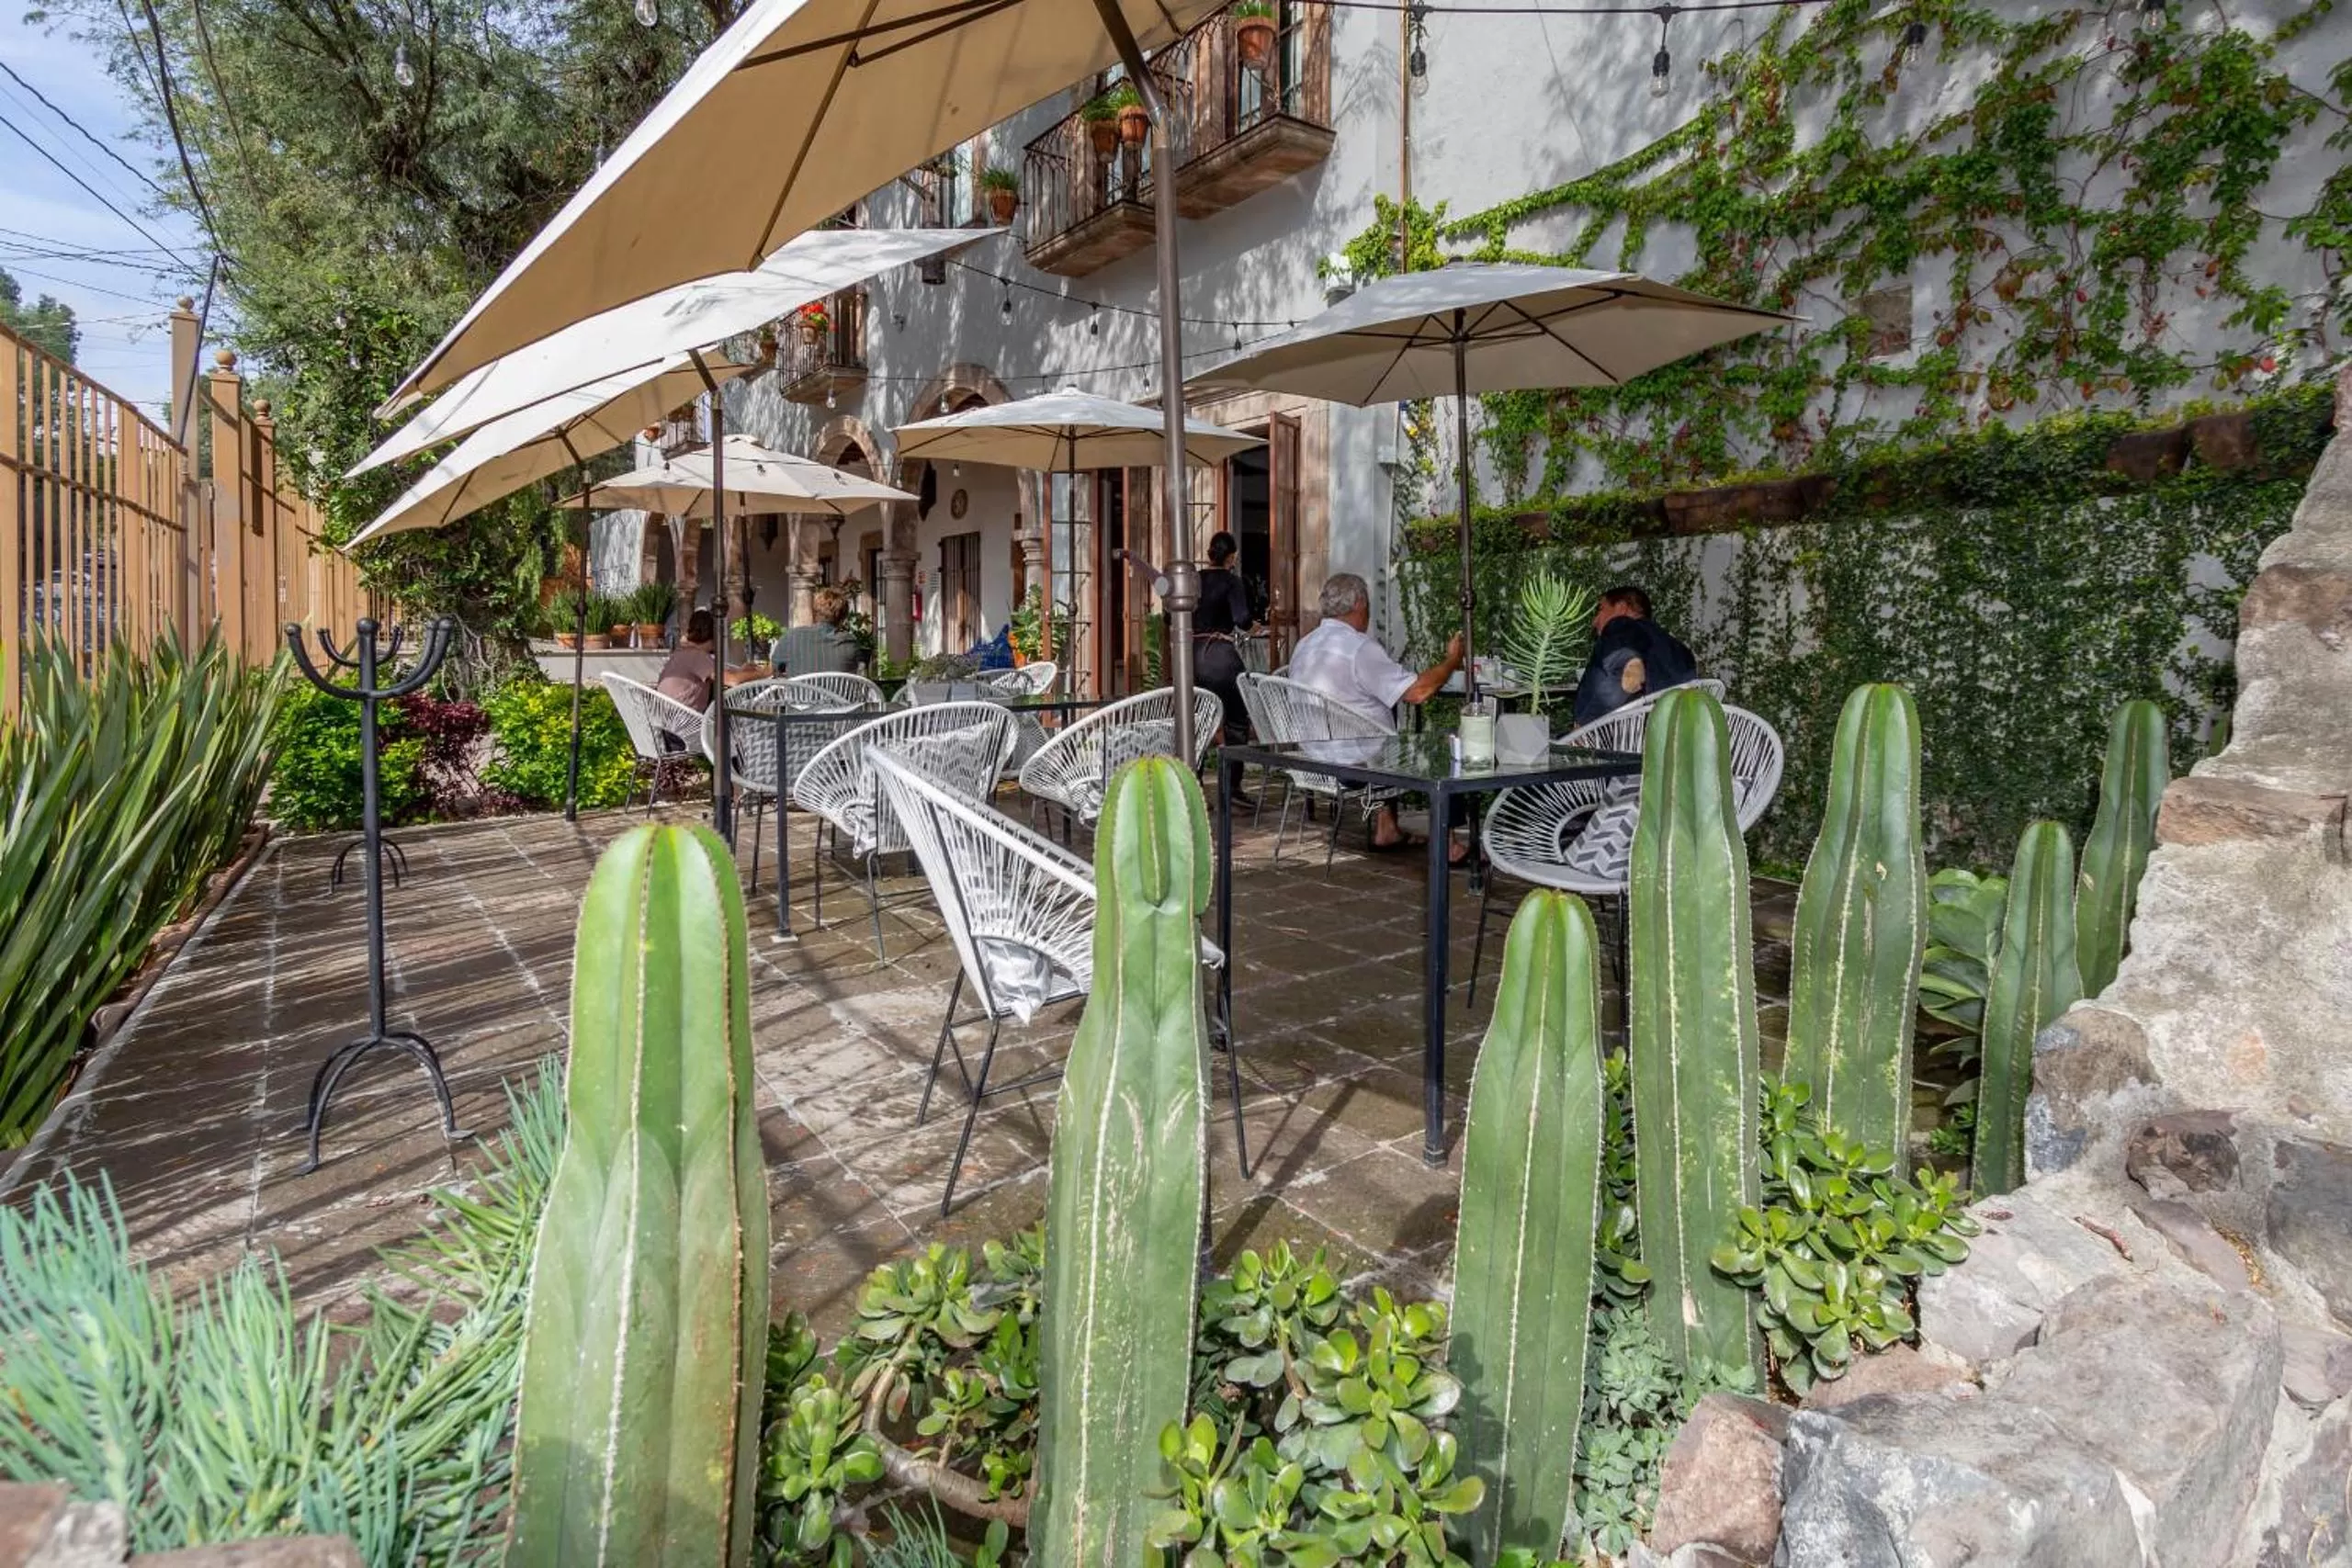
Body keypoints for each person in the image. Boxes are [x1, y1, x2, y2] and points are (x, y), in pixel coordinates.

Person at [1288, 572, 1465, 858]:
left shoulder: (1304, 645)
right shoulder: (1359, 648)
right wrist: (1452, 661)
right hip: (1355, 763)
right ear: (1359, 604)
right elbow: (1418, 692)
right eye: (1367, 605)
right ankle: (1452, 847)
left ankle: (1388, 828)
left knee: (1385, 713)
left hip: (1313, 756)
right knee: (1445, 746)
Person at [1573, 584, 1700, 728]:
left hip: (1624, 739)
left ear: (1621, 607)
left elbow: (1629, 674)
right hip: (1672, 739)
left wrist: (1582, 726)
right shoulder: (1680, 650)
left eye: (1600, 609)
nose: (1594, 621)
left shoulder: (1622, 626)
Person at [1193, 531, 1256, 744]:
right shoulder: (1232, 582)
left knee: (1196, 722)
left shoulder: (1193, 580)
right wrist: (1252, 626)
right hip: (1220, 657)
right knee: (1236, 722)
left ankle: (1192, 776)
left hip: (1191, 657)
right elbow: (1241, 618)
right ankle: (1231, 776)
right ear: (1232, 557)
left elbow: (1168, 617)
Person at [654, 608, 761, 716]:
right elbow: (733, 681)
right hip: (685, 725)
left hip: (667, 721)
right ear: (715, 635)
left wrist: (740, 671)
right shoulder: (698, 656)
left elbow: (719, 674)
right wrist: (766, 672)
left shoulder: (680, 652)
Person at [771, 586, 863, 675]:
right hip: (835, 691)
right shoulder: (850, 643)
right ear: (843, 618)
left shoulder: (792, 637)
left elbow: (774, 670)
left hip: (801, 691)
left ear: (814, 612)